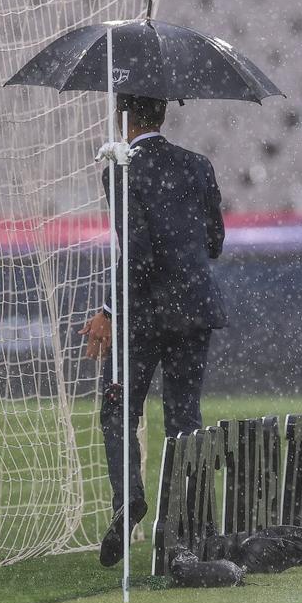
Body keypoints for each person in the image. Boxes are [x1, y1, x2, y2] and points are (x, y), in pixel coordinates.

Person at [79, 94, 227, 567]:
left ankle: (129, 501)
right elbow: (215, 242)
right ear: (161, 114)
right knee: (185, 416)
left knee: (118, 410)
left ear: (124, 119)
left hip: (144, 315)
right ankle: (194, 526)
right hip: (194, 308)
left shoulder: (120, 170)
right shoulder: (197, 165)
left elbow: (138, 253)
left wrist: (107, 308)